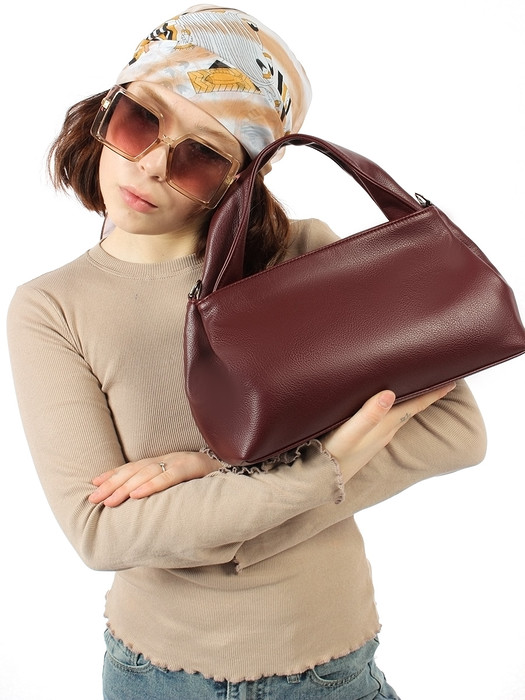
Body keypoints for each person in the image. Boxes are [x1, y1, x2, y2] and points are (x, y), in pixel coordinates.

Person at [7, 6, 487, 699]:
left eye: (200, 156)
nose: (151, 165)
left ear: (240, 178)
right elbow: (102, 532)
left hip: (328, 664)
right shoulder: (51, 308)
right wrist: (323, 467)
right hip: (154, 673)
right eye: (140, 119)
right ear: (105, 110)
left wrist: (214, 470)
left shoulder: (305, 259)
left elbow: (455, 430)